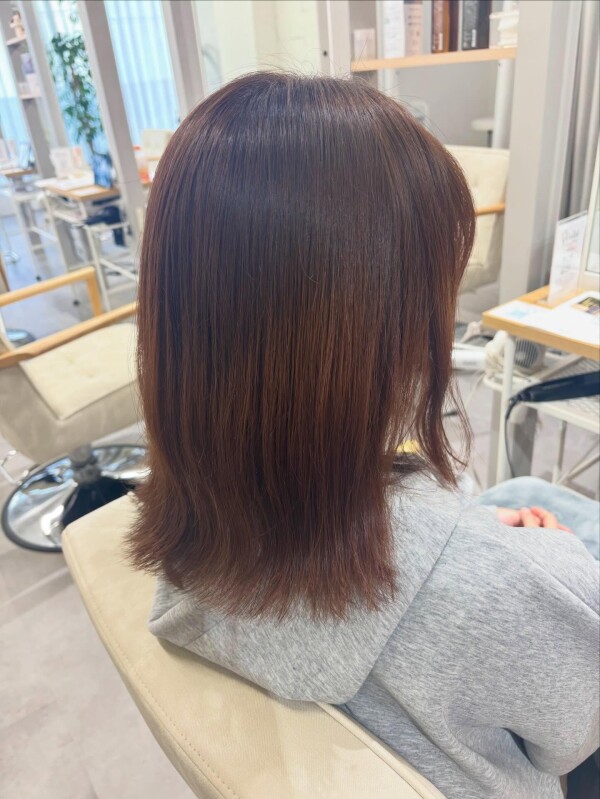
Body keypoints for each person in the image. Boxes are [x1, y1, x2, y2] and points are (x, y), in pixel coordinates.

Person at [128, 73, 599, 799]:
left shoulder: (192, 526)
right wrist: (539, 566)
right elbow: (576, 733)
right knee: (547, 506)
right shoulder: (511, 592)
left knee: (516, 496)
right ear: (380, 329)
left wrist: (468, 540)